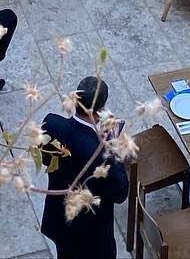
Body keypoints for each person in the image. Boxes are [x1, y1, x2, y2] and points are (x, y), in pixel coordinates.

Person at [39, 75, 129, 259]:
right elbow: (120, 193)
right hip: (92, 235)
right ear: (100, 111)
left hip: (59, 218)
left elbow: (47, 160)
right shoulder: (101, 154)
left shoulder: (51, 124)